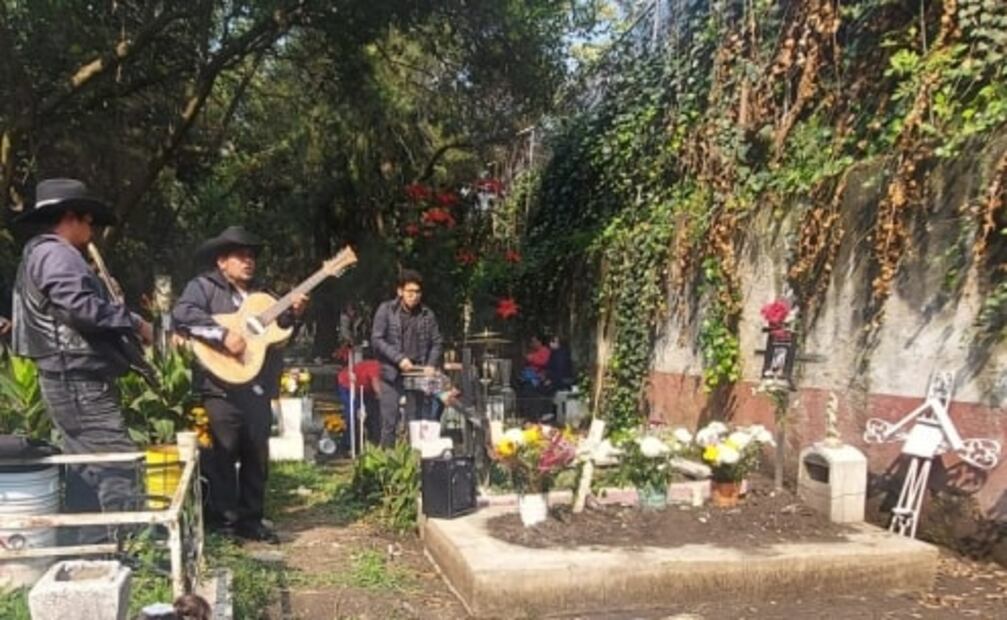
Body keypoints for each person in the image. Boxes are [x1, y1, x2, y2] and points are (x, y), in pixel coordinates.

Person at [11, 178, 154, 543]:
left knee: (86, 469)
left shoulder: (44, 253)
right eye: (89, 221)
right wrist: (134, 322)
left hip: (69, 376)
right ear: (70, 217)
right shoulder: (56, 254)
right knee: (117, 460)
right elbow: (81, 308)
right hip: (76, 377)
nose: (92, 230)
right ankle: (123, 548)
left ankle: (90, 549)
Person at [172, 225, 308, 544]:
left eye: (251, 256)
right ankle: (225, 523)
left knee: (256, 453)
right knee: (224, 452)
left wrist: (294, 315)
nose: (249, 262)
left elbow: (279, 335)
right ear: (222, 261)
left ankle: (252, 520)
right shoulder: (203, 288)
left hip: (257, 385)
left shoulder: (263, 295)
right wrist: (222, 335)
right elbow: (183, 316)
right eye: (241, 256)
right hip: (219, 384)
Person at [371, 269, 443, 448]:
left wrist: (431, 364)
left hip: (417, 373)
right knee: (389, 421)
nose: (414, 296)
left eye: (418, 292)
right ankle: (387, 459)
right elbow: (377, 340)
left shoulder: (427, 314)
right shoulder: (386, 310)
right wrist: (399, 359)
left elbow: (437, 342)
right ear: (400, 291)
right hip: (391, 373)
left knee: (415, 421)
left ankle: (414, 459)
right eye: (410, 292)